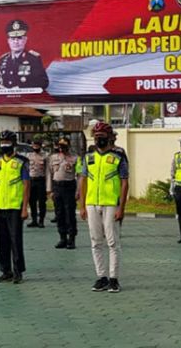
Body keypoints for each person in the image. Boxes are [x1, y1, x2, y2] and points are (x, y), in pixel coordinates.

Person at [79, 122, 129, 293]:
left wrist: (121, 207)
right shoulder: (88, 157)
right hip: (91, 203)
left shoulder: (118, 156)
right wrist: (82, 206)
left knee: (113, 242)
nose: (98, 138)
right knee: (95, 241)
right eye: (96, 136)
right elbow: (83, 180)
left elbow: (124, 182)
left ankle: (114, 279)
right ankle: (101, 277)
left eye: (102, 136)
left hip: (110, 204)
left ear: (109, 137)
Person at [0, 130, 30, 284]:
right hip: (0, 207)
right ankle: (5, 270)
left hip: (15, 207)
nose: (4, 145)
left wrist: (25, 207)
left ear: (13, 143)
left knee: (15, 241)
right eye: (2, 142)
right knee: (1, 241)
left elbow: (26, 185)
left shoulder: (22, 161)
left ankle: (18, 271)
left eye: (7, 142)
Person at [47, 136, 82, 249]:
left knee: (70, 214)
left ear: (68, 146)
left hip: (69, 187)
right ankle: (62, 238)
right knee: (59, 213)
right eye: (60, 147)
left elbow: (80, 176)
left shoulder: (75, 158)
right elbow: (49, 174)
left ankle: (71, 239)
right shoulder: (52, 158)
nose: (61, 149)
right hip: (57, 187)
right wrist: (49, 190)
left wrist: (78, 191)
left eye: (64, 147)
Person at [0, 19, 48, 90]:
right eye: (13, 39)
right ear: (8, 41)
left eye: (19, 38)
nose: (16, 42)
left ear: (25, 40)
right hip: (6, 100)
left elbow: (43, 82)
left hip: (26, 100)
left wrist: (20, 88)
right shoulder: (2, 60)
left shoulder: (33, 59)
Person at [26, 139, 47, 228]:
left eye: (37, 146)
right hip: (31, 180)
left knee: (42, 202)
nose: (36, 147)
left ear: (40, 146)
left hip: (41, 180)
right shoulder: (29, 156)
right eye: (34, 146)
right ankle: (34, 220)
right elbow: (27, 169)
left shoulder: (45, 156)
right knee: (32, 201)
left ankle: (41, 220)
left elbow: (47, 170)